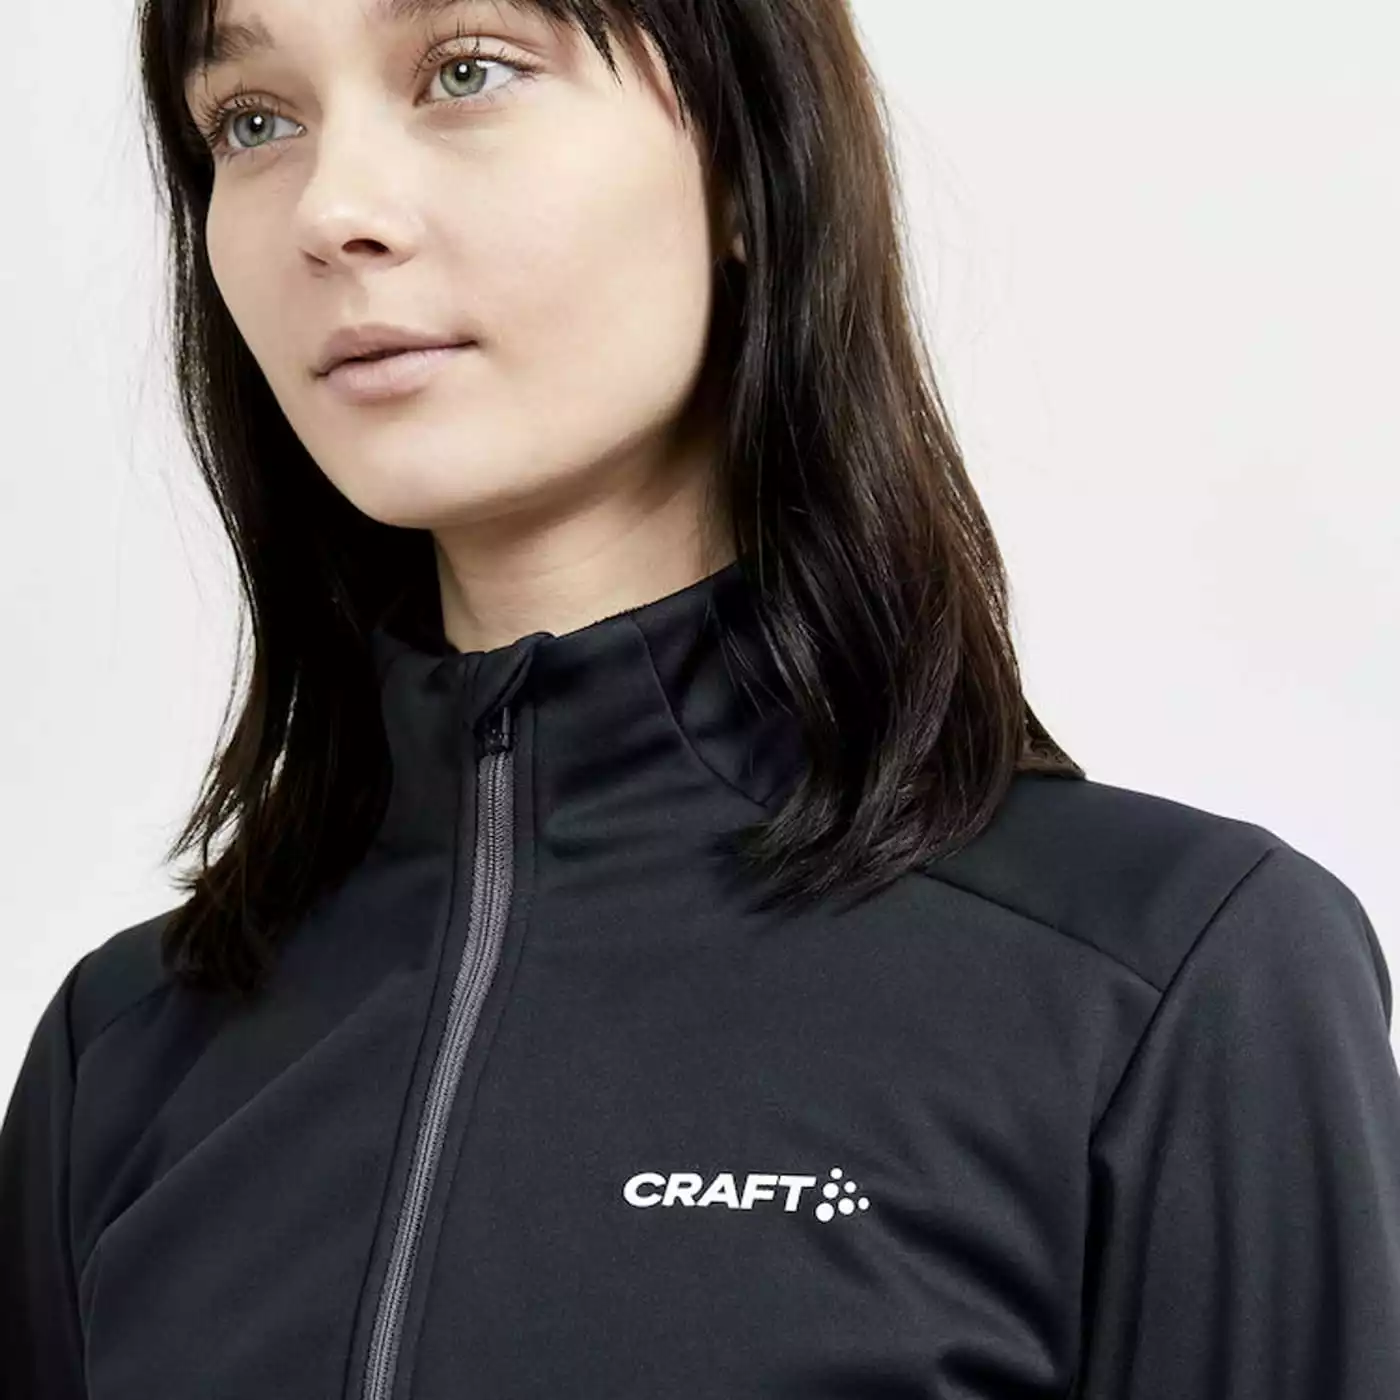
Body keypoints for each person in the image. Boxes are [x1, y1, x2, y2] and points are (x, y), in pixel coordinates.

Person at [3, 0, 1398, 1395]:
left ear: (744, 159)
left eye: (466, 70)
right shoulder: (119, 1060)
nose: (332, 210)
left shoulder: (1168, 986)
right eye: (253, 121)